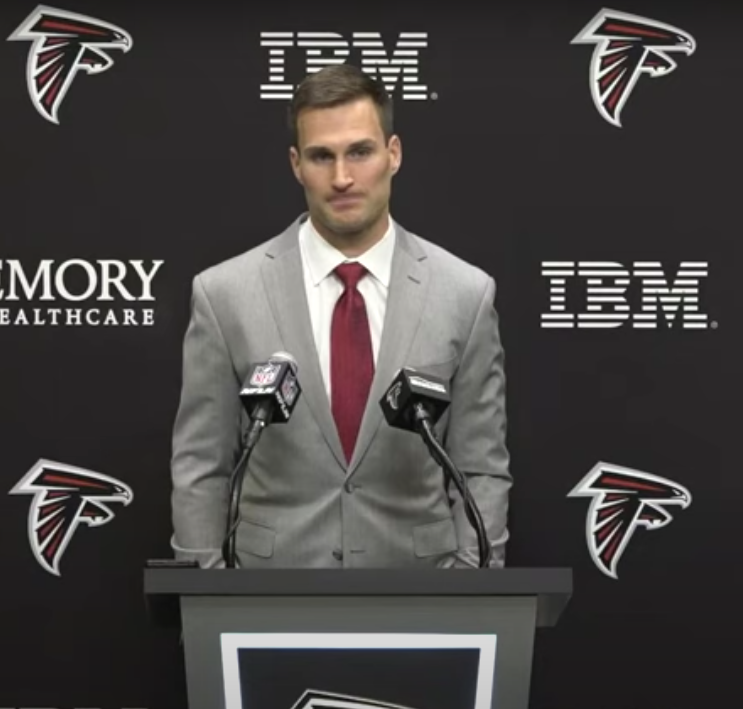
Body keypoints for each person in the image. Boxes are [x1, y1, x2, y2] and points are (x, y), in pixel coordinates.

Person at [169, 64, 511, 569]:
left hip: (426, 601)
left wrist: (471, 587)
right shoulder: (224, 294)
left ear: (393, 154)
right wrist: (207, 597)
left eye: (360, 151)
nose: (342, 177)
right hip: (264, 601)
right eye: (321, 156)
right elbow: (202, 465)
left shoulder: (465, 293)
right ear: (296, 164)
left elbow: (481, 468)